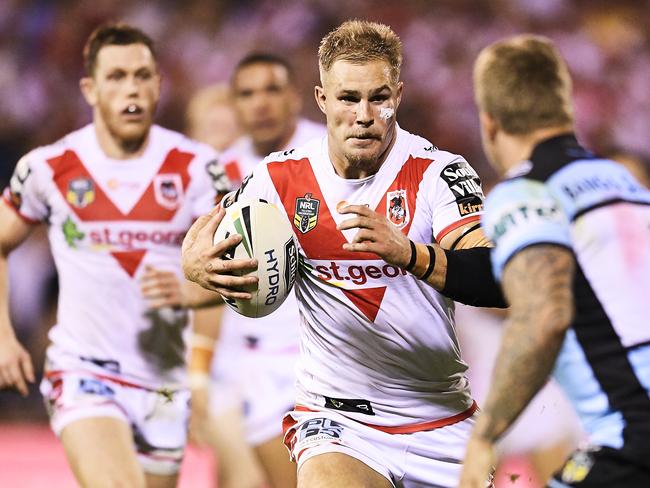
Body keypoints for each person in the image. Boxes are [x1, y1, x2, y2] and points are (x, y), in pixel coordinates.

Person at [182, 20, 506, 488]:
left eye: (379, 98)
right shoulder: (277, 179)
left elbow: (495, 278)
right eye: (348, 99)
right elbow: (210, 250)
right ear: (322, 100)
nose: (364, 114)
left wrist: (408, 252)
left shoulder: (439, 173)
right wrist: (194, 267)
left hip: (439, 420)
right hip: (337, 419)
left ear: (398, 95)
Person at [0, 24, 229, 488]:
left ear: (159, 84)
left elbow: (245, 275)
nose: (132, 89)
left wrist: (194, 293)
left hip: (164, 381)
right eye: (117, 76)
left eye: (143, 76)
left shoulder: (199, 168)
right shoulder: (48, 167)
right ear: (90, 88)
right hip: (84, 370)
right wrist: (2, 336)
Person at [460, 34, 650, 487]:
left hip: (633, 434)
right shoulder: (626, 185)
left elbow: (543, 314)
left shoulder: (523, 194)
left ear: (489, 124)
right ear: (567, 110)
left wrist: (484, 436)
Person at [189, 53, 326, 488]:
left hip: (328, 355)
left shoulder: (330, 153)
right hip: (255, 362)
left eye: (271, 90)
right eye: (247, 94)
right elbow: (210, 283)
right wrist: (197, 369)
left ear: (293, 98)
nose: (260, 104)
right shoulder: (221, 173)